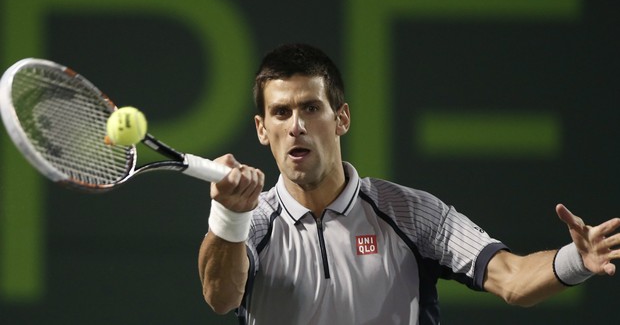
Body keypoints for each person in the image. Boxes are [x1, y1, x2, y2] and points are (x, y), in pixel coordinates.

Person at [198, 43, 619, 325]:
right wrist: (229, 216)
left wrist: (575, 260)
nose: (296, 127)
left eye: (311, 108)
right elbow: (221, 297)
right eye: (281, 113)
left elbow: (511, 280)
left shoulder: (410, 212)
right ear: (261, 128)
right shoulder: (249, 225)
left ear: (341, 118)